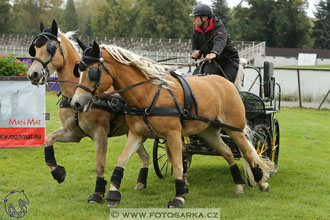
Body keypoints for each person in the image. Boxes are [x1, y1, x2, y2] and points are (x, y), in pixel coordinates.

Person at [190, 4, 239, 83]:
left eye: (195, 17)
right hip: (211, 62)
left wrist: (214, 53)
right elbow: (194, 47)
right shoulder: (196, 31)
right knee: (202, 81)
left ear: (205, 18)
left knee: (227, 84)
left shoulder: (219, 27)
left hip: (228, 61)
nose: (193, 20)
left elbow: (220, 41)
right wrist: (194, 52)